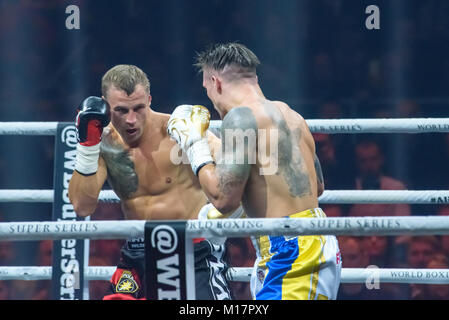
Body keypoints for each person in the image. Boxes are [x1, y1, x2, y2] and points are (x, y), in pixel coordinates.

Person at [167, 42, 342, 300]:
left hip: (292, 252)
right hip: (302, 245)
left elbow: (224, 200)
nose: (212, 101)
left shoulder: (238, 118)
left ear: (215, 83)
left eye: (208, 91)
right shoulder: (290, 114)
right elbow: (317, 186)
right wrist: (216, 145)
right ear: (254, 78)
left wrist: (194, 143)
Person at [68, 64, 238, 300]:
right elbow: (81, 206)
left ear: (149, 99)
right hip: (137, 252)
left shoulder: (179, 130)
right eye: (121, 110)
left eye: (138, 108)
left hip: (191, 249)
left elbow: (234, 172)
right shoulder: (104, 143)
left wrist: (215, 219)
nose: (131, 120)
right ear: (105, 105)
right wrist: (87, 147)